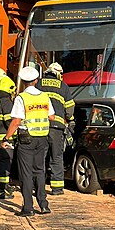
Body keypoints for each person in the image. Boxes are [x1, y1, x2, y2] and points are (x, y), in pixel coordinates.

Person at [2, 66, 55, 217]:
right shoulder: (44, 96)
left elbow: (16, 121)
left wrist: (6, 138)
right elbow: (51, 116)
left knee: (26, 173)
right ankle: (44, 205)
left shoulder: (21, 98)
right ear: (36, 80)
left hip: (27, 140)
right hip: (42, 138)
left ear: (23, 81)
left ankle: (28, 208)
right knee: (39, 170)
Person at [36, 62, 75, 195]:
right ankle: (57, 188)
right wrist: (70, 120)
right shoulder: (63, 86)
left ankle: (38, 187)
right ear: (58, 73)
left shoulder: (39, 83)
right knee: (56, 156)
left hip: (40, 126)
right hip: (57, 128)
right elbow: (69, 108)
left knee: (40, 157)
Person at [0, 75, 17, 199]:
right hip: (5, 139)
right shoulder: (6, 102)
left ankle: (0, 188)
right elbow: (9, 122)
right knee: (5, 164)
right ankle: (1, 191)